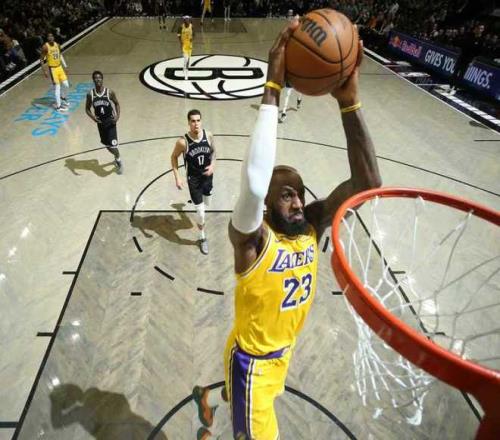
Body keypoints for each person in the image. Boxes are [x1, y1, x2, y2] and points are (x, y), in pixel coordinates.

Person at [192, 18, 381, 439]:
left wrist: (349, 103)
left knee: (234, 400)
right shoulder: (252, 240)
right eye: (286, 196)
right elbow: (254, 183)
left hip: (281, 355)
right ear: (266, 205)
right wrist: (272, 88)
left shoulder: (311, 225)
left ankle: (207, 397)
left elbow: (368, 184)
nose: (297, 201)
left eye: (299, 193)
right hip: (252, 365)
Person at [171, 109, 216, 255]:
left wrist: (213, 165)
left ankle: (190, 206)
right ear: (188, 123)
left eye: (198, 120)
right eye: (193, 121)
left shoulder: (209, 135)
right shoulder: (183, 142)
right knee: (201, 213)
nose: (196, 124)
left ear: (201, 121)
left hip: (208, 177)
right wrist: (177, 177)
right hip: (194, 180)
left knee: (207, 204)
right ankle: (202, 238)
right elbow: (173, 157)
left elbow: (214, 152)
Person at [85, 71, 123, 174]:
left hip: (110, 122)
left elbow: (117, 104)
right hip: (100, 123)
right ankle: (116, 156)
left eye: (99, 78)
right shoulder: (90, 94)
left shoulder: (109, 92)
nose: (98, 79)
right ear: (93, 80)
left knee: (113, 145)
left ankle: (119, 160)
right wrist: (93, 118)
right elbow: (87, 109)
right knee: (107, 145)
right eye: (95, 78)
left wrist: (117, 116)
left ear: (102, 79)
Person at [40, 33, 69, 112]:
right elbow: (42, 59)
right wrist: (44, 70)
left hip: (60, 67)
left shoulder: (57, 45)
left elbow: (60, 55)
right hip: (53, 69)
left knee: (66, 85)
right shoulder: (45, 47)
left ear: (53, 37)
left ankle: (63, 97)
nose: (51, 37)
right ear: (47, 38)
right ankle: (58, 107)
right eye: (49, 36)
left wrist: (65, 66)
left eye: (52, 36)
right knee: (57, 87)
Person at [177, 15, 194, 80]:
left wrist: (192, 38)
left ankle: (185, 67)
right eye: (186, 19)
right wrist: (180, 42)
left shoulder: (191, 26)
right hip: (184, 44)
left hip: (189, 44)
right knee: (186, 58)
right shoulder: (181, 27)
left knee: (188, 58)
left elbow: (194, 34)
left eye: (188, 19)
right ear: (184, 20)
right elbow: (178, 34)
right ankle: (186, 73)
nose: (187, 20)